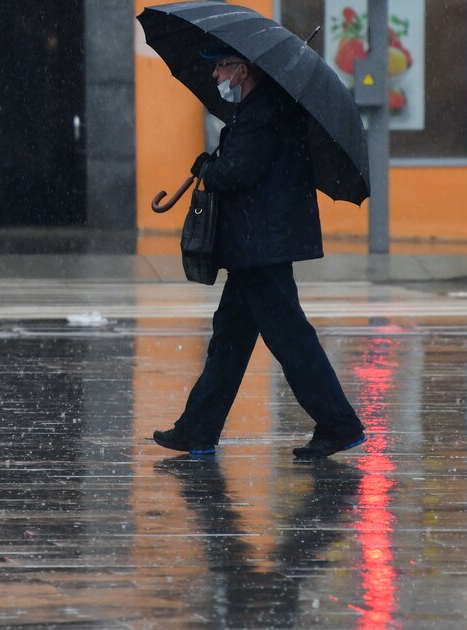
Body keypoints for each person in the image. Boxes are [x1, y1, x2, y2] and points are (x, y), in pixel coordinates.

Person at [152, 47, 366, 459]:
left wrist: (209, 170)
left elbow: (237, 172)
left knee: (292, 341)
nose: (215, 74)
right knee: (229, 341)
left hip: (260, 246)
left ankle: (340, 425)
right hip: (256, 245)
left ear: (242, 70)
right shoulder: (262, 109)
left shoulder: (263, 112)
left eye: (221, 66)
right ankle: (198, 428)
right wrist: (214, 161)